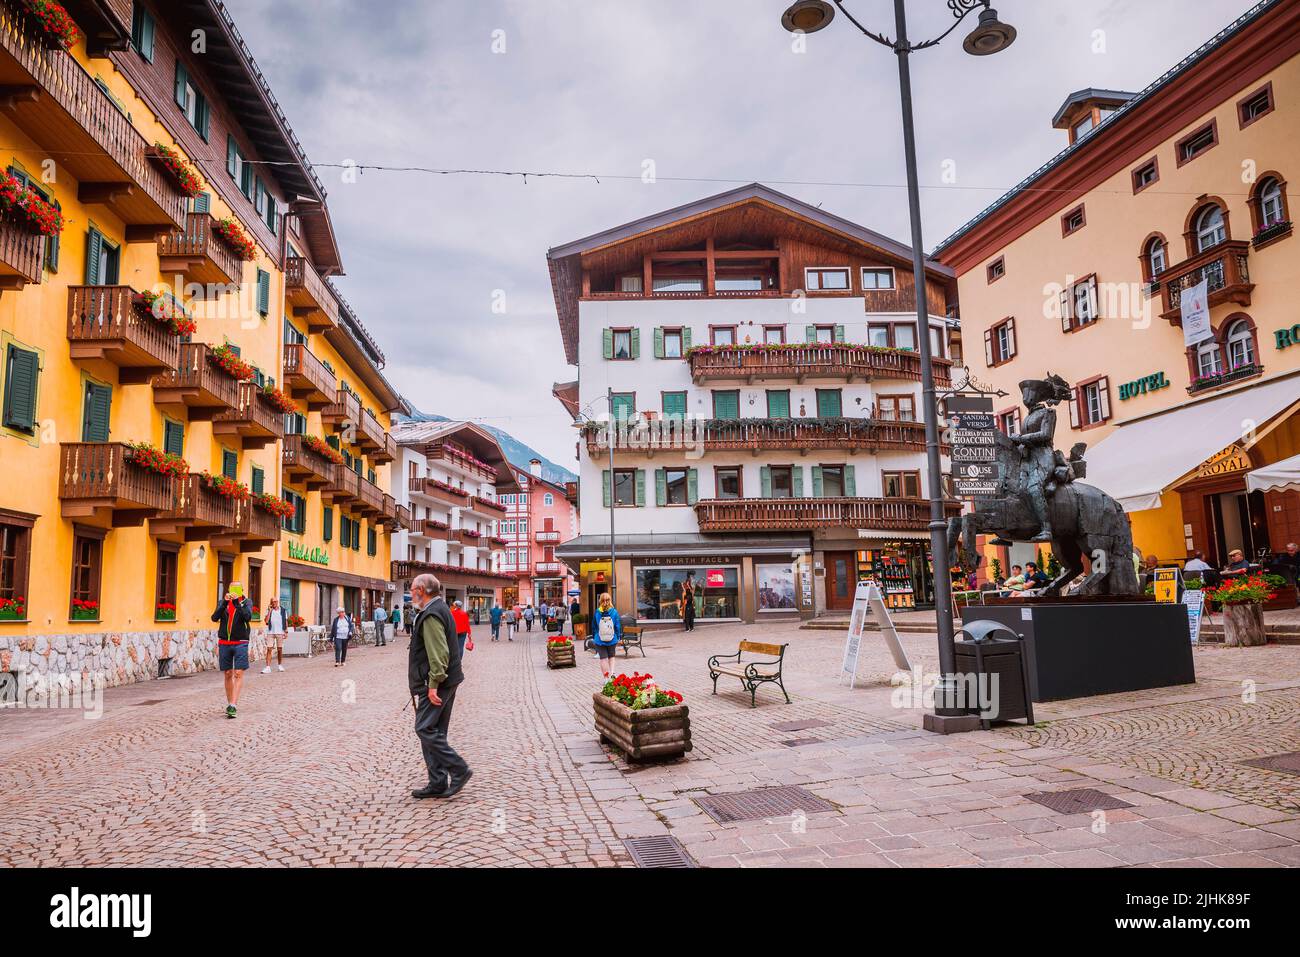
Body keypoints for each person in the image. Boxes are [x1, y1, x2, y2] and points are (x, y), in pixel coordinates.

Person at [409, 573, 471, 800]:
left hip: (438, 683)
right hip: (447, 680)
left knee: (424, 728)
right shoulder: (439, 608)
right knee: (435, 731)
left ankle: (458, 769)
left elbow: (439, 653)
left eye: (412, 588)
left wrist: (433, 684)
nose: (410, 592)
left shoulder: (432, 614)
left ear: (422, 590)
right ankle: (437, 782)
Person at [212, 581, 253, 719]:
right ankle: (230, 703)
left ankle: (233, 705)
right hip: (225, 642)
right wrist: (224, 602)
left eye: (237, 588)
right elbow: (214, 618)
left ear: (242, 590)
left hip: (241, 642)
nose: (234, 590)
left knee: (238, 673)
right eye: (232, 588)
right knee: (228, 673)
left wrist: (236, 603)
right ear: (228, 589)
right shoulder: (222, 602)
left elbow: (247, 617)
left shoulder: (247, 602)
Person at [590, 592, 622, 679]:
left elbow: (594, 625)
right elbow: (617, 626)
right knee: (611, 657)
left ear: (600, 601)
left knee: (603, 659)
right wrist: (618, 636)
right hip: (612, 639)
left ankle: (606, 678)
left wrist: (595, 636)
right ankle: (612, 674)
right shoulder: (614, 612)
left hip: (600, 639)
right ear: (610, 600)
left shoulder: (597, 612)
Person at [262, 597, 287, 674]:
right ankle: (268, 667)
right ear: (271, 603)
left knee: (279, 649)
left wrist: (286, 631)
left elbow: (285, 621)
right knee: (269, 649)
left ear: (278, 602)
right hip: (270, 632)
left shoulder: (283, 610)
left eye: (276, 601)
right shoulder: (269, 610)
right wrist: (269, 611)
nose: (274, 603)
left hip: (280, 632)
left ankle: (280, 665)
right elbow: (266, 621)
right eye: (273, 602)